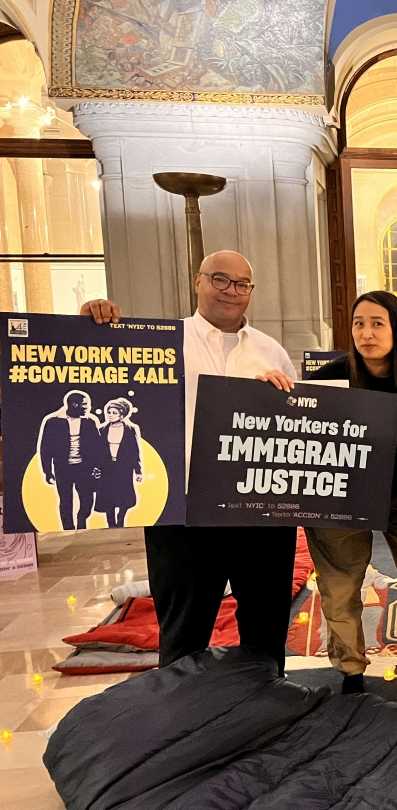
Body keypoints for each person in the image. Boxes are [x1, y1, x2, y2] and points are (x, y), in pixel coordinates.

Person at [80, 250, 299, 675]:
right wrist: (89, 327)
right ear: (197, 281)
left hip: (261, 512)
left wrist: (282, 399)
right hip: (182, 511)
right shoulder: (160, 344)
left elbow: (297, 428)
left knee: (266, 628)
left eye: (242, 284)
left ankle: (264, 701)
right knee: (183, 632)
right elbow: (99, 375)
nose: (231, 291)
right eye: (220, 279)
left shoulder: (271, 351)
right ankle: (180, 710)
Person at [304, 291, 397, 695]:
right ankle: (351, 669)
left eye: (378, 323)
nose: (366, 333)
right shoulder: (328, 377)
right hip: (341, 497)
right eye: (359, 323)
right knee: (340, 585)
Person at [37, 391, 101, 530]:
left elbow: (97, 447)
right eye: (85, 404)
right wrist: (48, 472)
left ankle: (82, 523)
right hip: (63, 469)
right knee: (66, 501)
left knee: (87, 501)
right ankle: (68, 530)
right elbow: (45, 449)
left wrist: (98, 467)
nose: (88, 407)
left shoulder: (89, 422)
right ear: (74, 404)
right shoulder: (53, 422)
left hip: (84, 469)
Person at [95, 398, 143, 528]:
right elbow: (97, 451)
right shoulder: (101, 429)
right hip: (107, 468)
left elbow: (135, 451)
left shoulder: (131, 429)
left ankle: (121, 519)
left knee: (124, 496)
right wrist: (96, 468)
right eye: (109, 412)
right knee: (108, 497)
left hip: (124, 468)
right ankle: (111, 524)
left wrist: (138, 471)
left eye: (114, 412)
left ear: (122, 415)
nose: (110, 415)